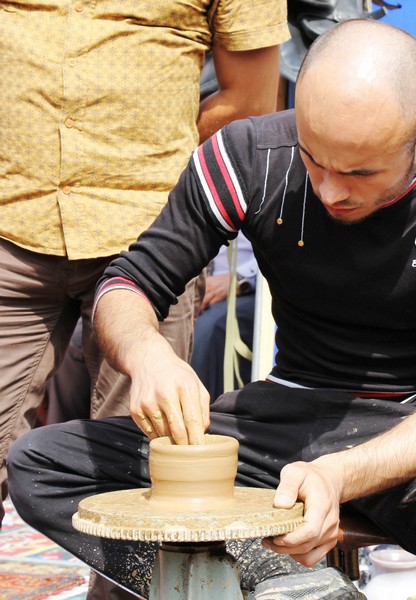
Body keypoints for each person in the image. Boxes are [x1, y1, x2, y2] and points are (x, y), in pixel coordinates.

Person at [8, 18, 416, 600]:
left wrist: (340, 473)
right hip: (287, 418)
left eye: (359, 171)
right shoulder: (251, 156)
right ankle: (285, 582)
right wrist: (147, 355)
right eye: (314, 159)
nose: (329, 191)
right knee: (42, 464)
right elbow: (128, 283)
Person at [0, 0, 289, 531]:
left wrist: (147, 150)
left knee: (138, 474)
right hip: (12, 220)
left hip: (149, 236)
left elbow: (250, 99)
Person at [191, 231, 258, 400]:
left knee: (210, 329)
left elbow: (285, 247)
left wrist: (242, 277)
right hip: (194, 285)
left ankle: (208, 411)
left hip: (253, 289)